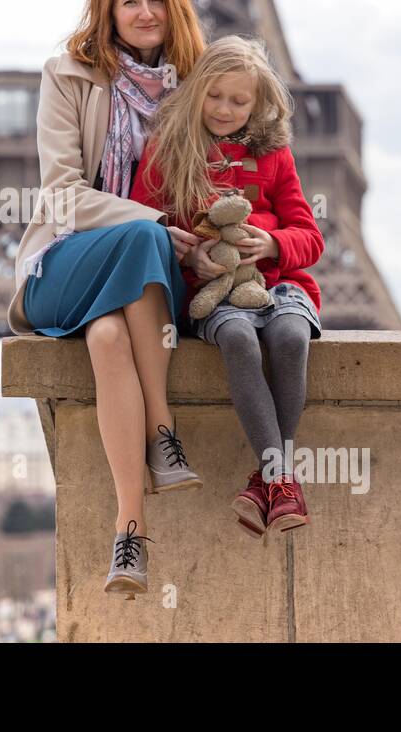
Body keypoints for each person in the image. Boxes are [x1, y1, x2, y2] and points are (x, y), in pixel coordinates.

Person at [7, 0, 208, 597]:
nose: (145, 12)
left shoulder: (202, 86)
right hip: (66, 263)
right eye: (130, 1)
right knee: (141, 232)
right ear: (108, 11)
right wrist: (144, 219)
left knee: (107, 338)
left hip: (153, 276)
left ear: (172, 7)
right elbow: (61, 192)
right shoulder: (66, 75)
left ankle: (130, 534)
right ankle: (162, 431)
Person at [129, 34, 325, 540]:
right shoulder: (166, 152)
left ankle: (271, 476)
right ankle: (282, 478)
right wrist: (189, 253)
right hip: (215, 290)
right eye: (215, 96)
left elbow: (310, 236)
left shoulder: (277, 157)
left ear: (259, 105)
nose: (224, 109)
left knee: (289, 337)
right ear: (196, 92)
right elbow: (142, 225)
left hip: (281, 286)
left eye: (239, 101)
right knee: (237, 338)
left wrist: (274, 244)